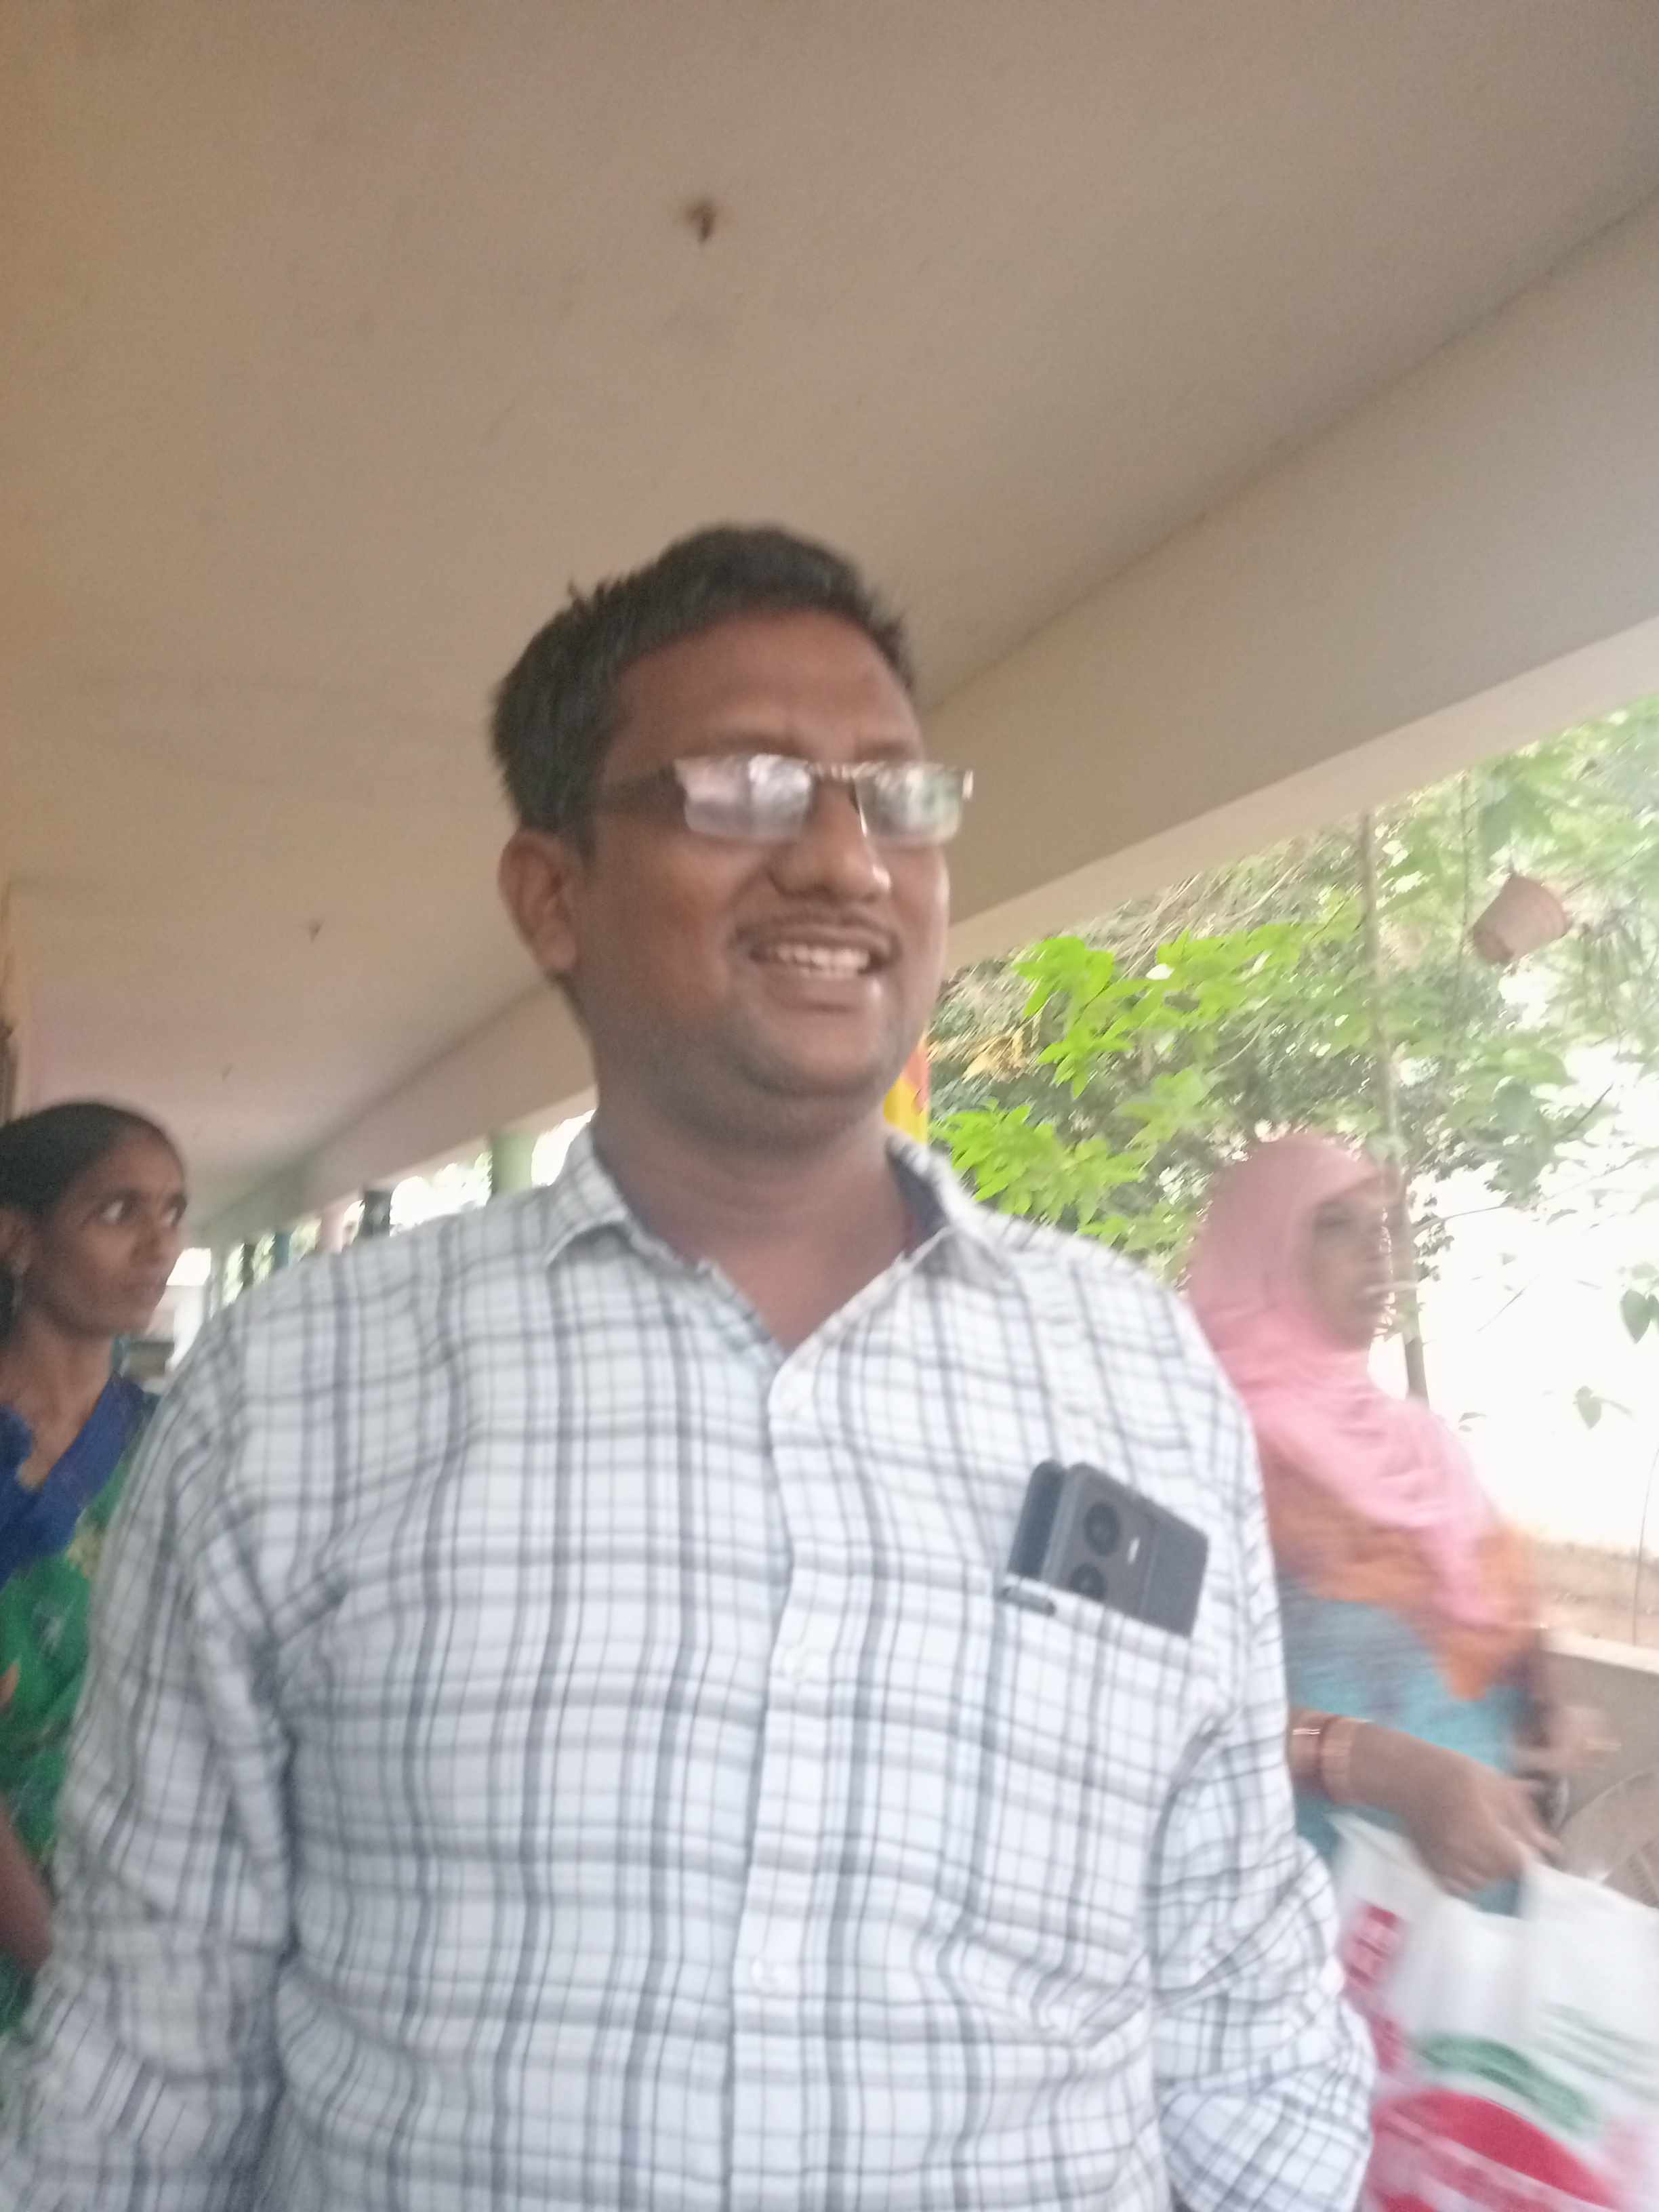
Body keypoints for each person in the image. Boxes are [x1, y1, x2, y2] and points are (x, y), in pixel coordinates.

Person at [0, 528, 1370, 2211]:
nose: (843, 860)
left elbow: (1238, 1996)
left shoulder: (1135, 1376)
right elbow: (147, 2061)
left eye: (893, 796)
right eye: (742, 788)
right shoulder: (296, 1396)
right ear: (551, 894)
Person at [1187, 1132, 1606, 1904]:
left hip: (1459, 1915)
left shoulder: (1418, 1445)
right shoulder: (1201, 1443)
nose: (1377, 1253)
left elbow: (1501, 1633)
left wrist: (1544, 1710)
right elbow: (1167, 1703)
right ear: (1263, 1251)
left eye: (1380, 1228)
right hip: (1290, 1914)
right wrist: (1383, 1767)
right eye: (1334, 1225)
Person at [0, 1103, 186, 2036]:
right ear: (17, 1238)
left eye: (173, 1212)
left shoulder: (180, 1446)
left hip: (142, 1912)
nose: (158, 1247)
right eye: (117, 1212)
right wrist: (63, 1966)